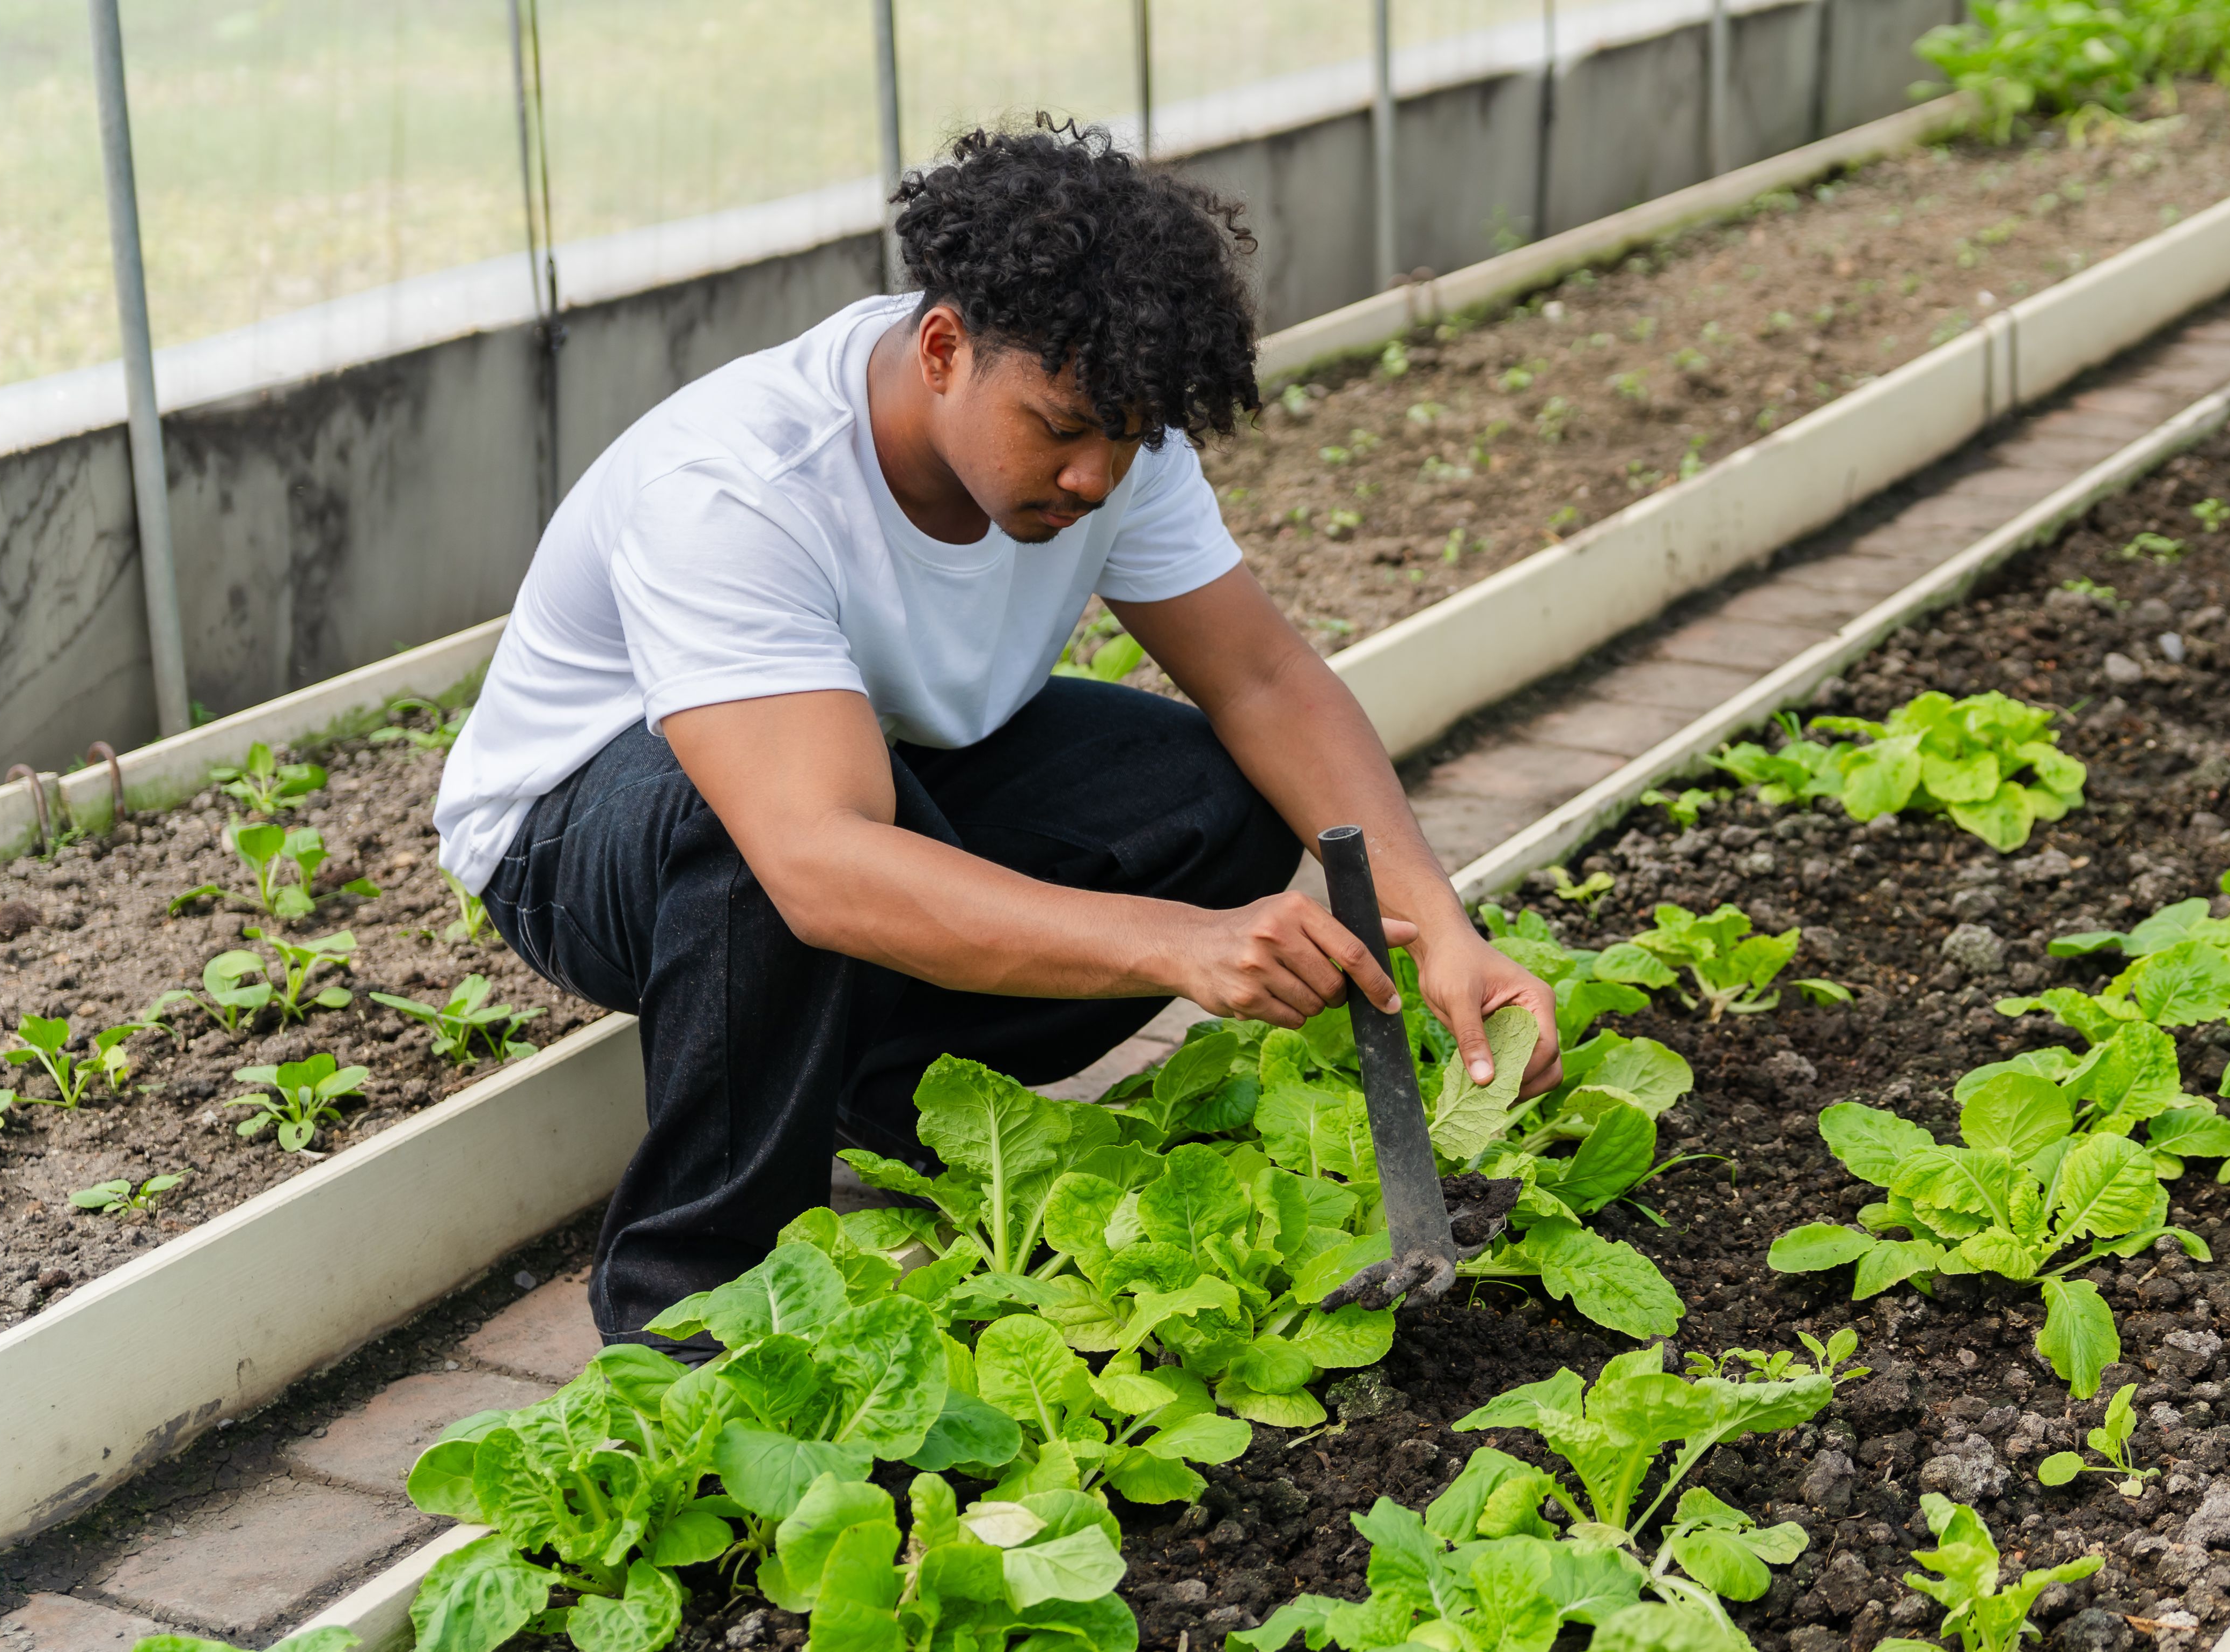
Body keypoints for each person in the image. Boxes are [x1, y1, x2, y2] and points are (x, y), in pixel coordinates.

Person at [434, 118, 1559, 1350]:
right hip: (585, 834)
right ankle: (688, 1317)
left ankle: (883, 1090)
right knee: (763, 844)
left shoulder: (1116, 423)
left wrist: (1440, 925)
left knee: (1223, 791)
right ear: (940, 348)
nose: (1093, 478)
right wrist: (1180, 945)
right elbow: (815, 857)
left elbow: (1268, 682)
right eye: (1063, 429)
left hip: (879, 766)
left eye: (1125, 443)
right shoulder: (737, 483)